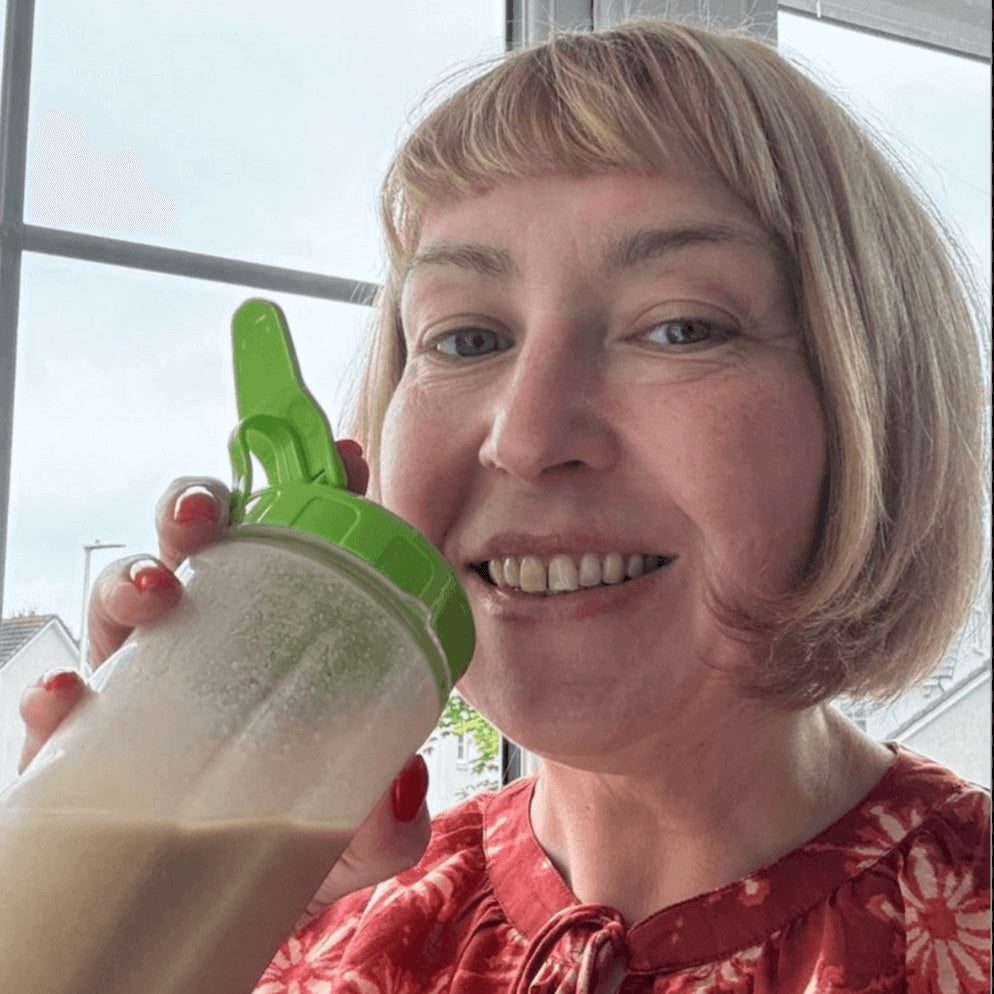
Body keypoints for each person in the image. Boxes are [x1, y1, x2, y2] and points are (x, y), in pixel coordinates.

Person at [20, 17, 990, 994]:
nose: (524, 437)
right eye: (466, 339)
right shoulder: (298, 932)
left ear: (872, 410)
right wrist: (125, 930)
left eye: (680, 326)